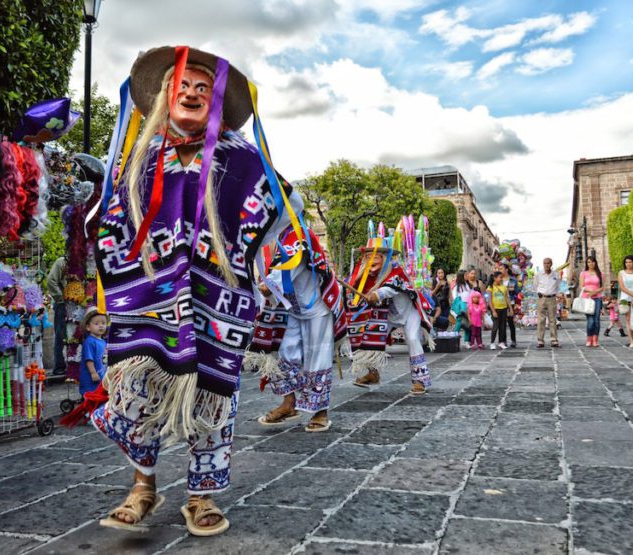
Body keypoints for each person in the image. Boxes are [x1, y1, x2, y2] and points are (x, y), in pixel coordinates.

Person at [87, 46, 303, 535]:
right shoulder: (142, 158)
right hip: (150, 303)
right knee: (139, 387)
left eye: (203, 88)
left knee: (211, 397)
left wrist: (246, 251)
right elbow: (113, 222)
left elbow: (284, 209)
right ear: (165, 96)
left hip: (215, 303)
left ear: (218, 103)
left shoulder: (242, 160)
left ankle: (201, 495)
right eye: (181, 85)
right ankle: (143, 485)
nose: (191, 92)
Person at [249, 223, 347, 432]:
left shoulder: (298, 235)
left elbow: (285, 273)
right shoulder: (283, 237)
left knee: (316, 358)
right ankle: (289, 404)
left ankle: (320, 412)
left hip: (317, 309)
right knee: (284, 354)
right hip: (294, 308)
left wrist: (266, 287)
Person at [348, 241, 432, 394]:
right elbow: (353, 289)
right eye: (367, 256)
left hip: (408, 312)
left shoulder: (396, 270)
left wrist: (376, 294)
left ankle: (420, 380)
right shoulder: (366, 275)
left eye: (375, 256)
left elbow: (390, 288)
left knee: (412, 339)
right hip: (386, 314)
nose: (371, 260)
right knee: (368, 339)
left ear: (384, 257)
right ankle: (373, 373)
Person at [46, 255, 68, 376]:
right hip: (63, 305)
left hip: (80, 304)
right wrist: (61, 298)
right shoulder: (62, 262)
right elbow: (51, 280)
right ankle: (59, 365)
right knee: (61, 335)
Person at [80, 307, 108, 397]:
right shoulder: (89, 342)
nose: (101, 326)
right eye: (96, 323)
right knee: (92, 394)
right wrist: (93, 373)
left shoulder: (103, 341)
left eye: (103, 323)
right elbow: (89, 359)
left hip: (102, 374)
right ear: (88, 327)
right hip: (92, 376)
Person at [579, 256, 605, 347]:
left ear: (595, 263)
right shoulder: (583, 273)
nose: (591, 264)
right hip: (587, 299)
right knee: (591, 320)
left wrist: (594, 292)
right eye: (589, 262)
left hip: (597, 298)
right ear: (587, 263)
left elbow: (602, 287)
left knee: (596, 320)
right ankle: (589, 338)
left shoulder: (600, 273)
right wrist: (589, 292)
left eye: (593, 262)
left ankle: (595, 339)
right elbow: (582, 286)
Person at [535, 258, 560, 348]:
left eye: (548, 263)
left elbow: (557, 286)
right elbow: (535, 285)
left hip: (552, 298)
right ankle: (540, 340)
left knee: (552, 320)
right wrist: (539, 294)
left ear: (551, 264)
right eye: (544, 263)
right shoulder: (539, 274)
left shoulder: (556, 275)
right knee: (541, 320)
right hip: (542, 298)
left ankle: (554, 340)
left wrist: (554, 294)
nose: (546, 265)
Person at [487, 272, 512, 350]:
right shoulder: (490, 287)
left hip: (504, 308)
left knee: (503, 326)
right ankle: (492, 342)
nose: (501, 279)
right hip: (496, 309)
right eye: (499, 277)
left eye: (502, 277)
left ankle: (501, 342)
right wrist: (493, 311)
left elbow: (507, 298)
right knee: (495, 326)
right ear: (495, 278)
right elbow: (489, 301)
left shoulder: (504, 287)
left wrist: (510, 308)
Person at [500, 263, 519, 347]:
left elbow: (517, 291)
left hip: (510, 302)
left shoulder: (513, 280)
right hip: (500, 303)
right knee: (502, 323)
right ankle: (503, 341)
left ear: (506, 269)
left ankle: (513, 340)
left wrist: (513, 290)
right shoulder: (498, 279)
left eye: (501, 268)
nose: (499, 270)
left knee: (511, 322)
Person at [451, 270, 472, 342]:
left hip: (468, 307)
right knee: (459, 322)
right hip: (461, 308)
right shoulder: (456, 287)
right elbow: (455, 298)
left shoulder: (468, 285)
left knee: (468, 324)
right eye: (466, 275)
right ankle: (454, 338)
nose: (467, 276)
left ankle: (467, 341)